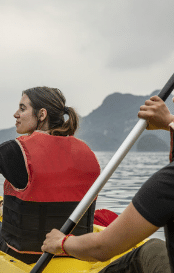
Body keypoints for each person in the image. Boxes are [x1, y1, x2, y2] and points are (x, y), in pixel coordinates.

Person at [0, 87, 101, 264]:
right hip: (76, 252)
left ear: (42, 114)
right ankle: (5, 210)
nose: (15, 114)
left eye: (22, 108)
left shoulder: (15, 150)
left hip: (25, 255)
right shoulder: (88, 152)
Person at [42, 95, 174, 273]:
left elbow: (102, 248)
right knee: (154, 248)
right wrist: (170, 123)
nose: (172, 100)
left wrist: (61, 242)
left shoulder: (166, 184)